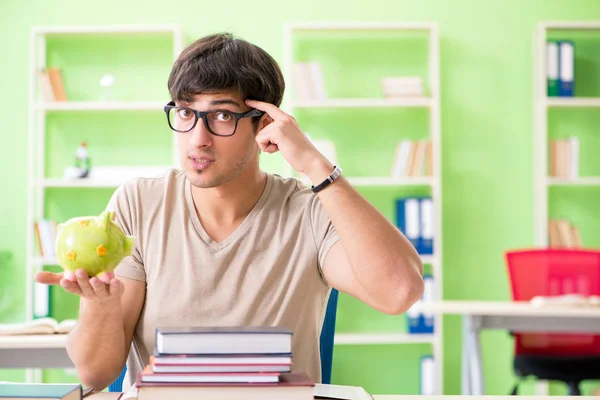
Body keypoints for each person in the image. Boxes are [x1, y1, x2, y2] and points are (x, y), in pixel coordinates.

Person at [34, 32, 424, 392]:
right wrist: (100, 306)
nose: (197, 139)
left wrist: (317, 167)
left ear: (266, 123)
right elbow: (95, 375)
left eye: (221, 115)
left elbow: (399, 293)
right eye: (186, 113)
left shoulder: (310, 211)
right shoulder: (139, 203)